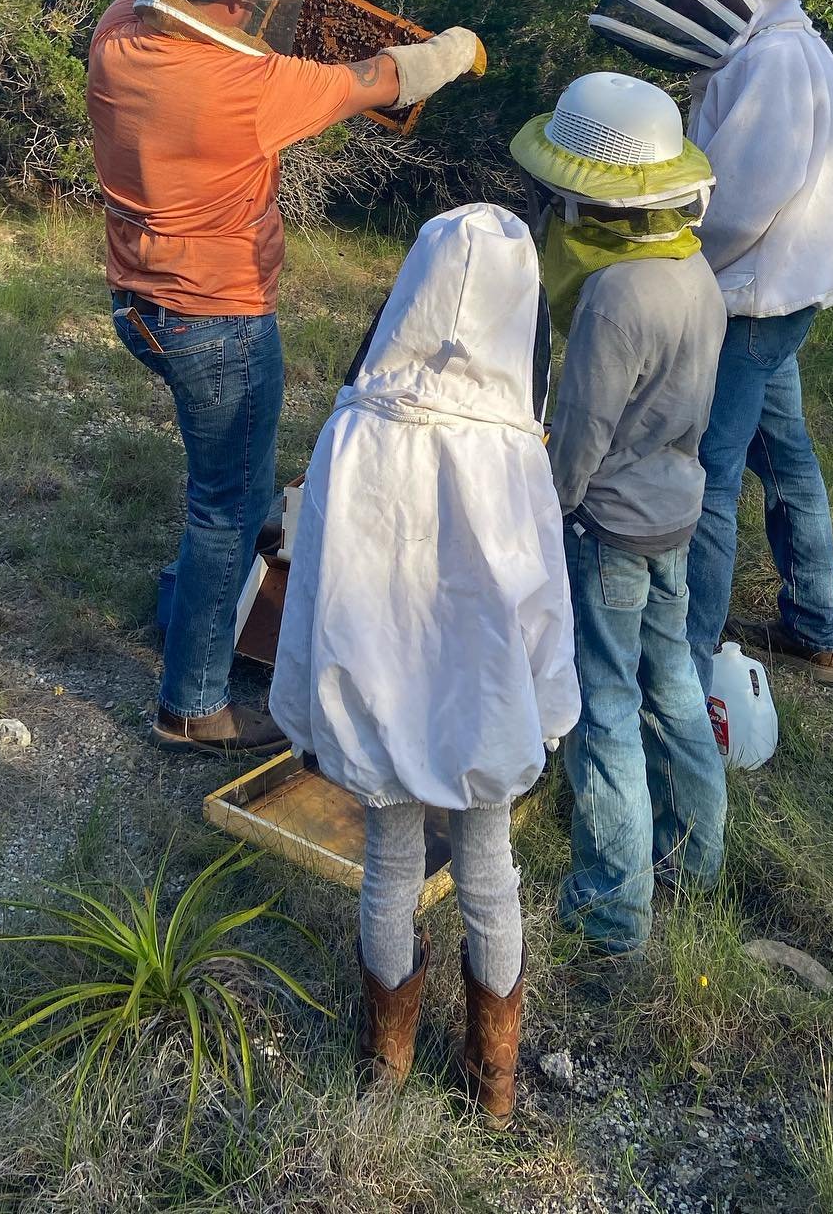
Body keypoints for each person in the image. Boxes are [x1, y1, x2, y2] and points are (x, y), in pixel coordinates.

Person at [89, 0, 481, 757]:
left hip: (139, 303)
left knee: (226, 489)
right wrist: (457, 49)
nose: (257, 11)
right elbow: (384, 78)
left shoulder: (118, 36)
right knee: (226, 509)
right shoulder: (248, 92)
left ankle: (209, 585)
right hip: (215, 321)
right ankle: (192, 707)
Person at [269, 205, 579, 1127]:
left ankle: (386, 1068)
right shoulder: (515, 452)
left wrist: (309, 696)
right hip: (481, 704)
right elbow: (541, 597)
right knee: (489, 873)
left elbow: (313, 564)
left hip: (377, 685)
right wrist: (550, 701)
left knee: (390, 864)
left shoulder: (355, 427)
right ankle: (493, 1090)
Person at [588, 0, 833, 690]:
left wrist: (669, 262)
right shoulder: (788, 50)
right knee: (787, 456)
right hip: (782, 294)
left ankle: (683, 662)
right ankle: (816, 626)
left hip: (751, 300)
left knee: (706, 474)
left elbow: (740, 204)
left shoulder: (776, 62)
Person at [510, 72, 727, 955]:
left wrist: (545, 512)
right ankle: (698, 860)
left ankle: (614, 912)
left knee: (606, 711)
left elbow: (583, 433)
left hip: (611, 534)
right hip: (678, 513)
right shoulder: (695, 273)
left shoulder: (614, 298)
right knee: (675, 688)